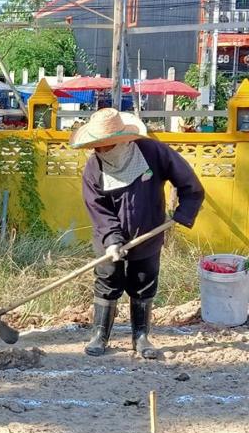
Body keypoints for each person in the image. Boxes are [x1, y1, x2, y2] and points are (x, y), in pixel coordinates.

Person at [70, 108, 204, 359]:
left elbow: (189, 184)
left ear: (123, 140)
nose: (100, 151)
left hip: (148, 231)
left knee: (143, 283)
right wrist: (112, 240)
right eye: (96, 146)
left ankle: (141, 336)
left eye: (106, 146)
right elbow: (98, 209)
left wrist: (182, 214)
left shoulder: (153, 153)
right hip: (108, 238)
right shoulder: (93, 169)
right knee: (107, 281)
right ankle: (100, 336)